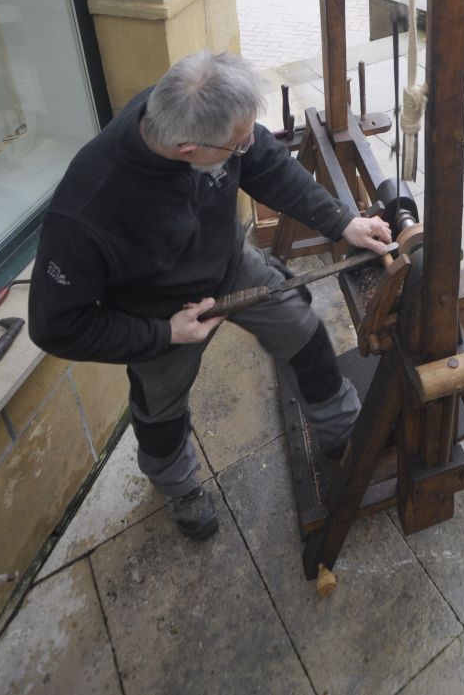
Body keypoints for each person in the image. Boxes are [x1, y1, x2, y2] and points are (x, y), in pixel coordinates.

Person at [28, 51, 392, 541]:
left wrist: (341, 221)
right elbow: (56, 325)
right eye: (235, 144)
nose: (248, 146)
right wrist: (162, 333)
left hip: (227, 265)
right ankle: (178, 487)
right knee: (161, 407)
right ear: (187, 149)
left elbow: (266, 162)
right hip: (157, 311)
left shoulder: (209, 124)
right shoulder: (89, 209)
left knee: (302, 329)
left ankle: (341, 429)